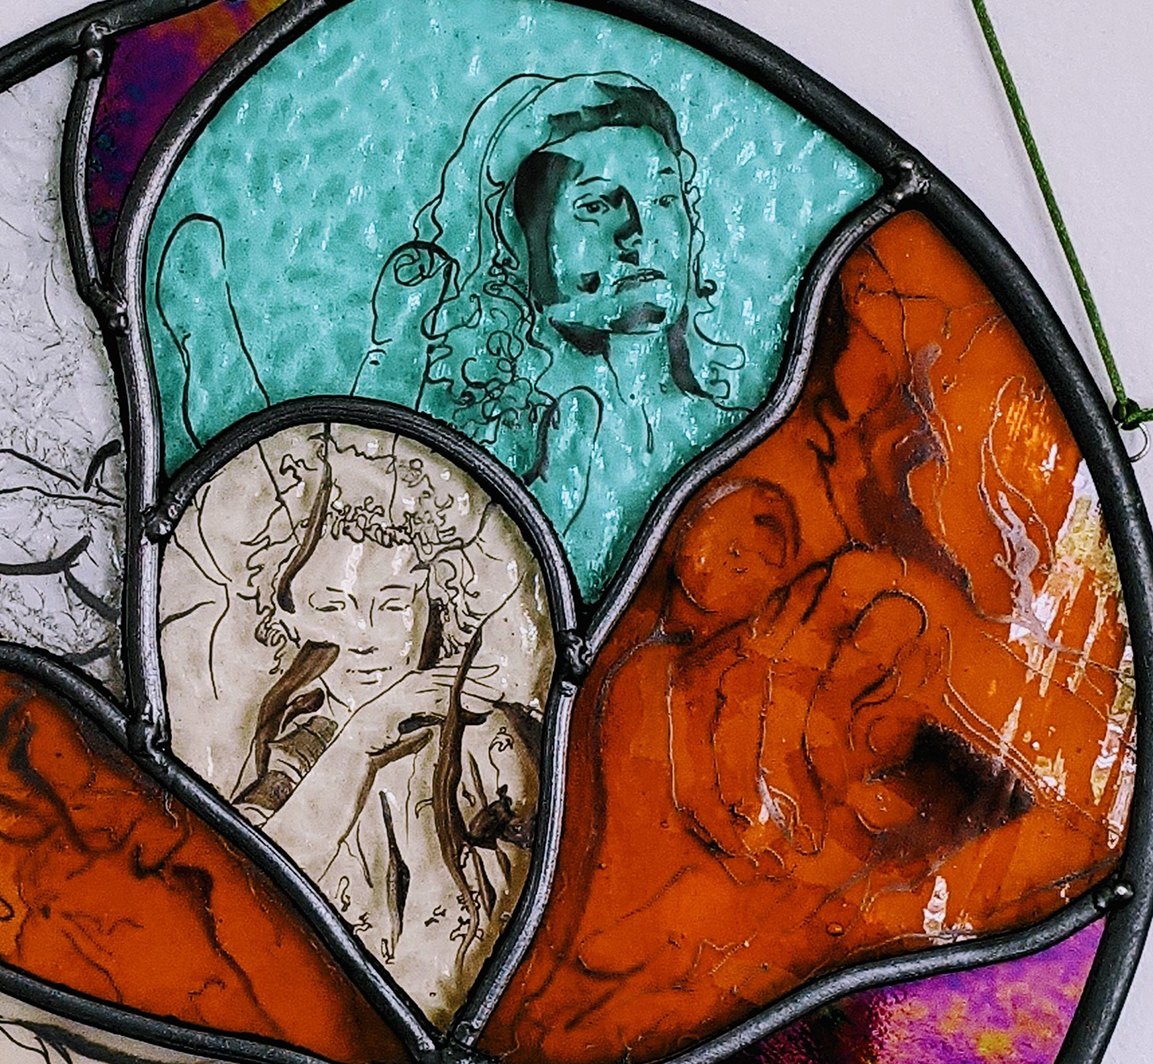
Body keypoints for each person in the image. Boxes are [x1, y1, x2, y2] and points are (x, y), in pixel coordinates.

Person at [159, 423, 554, 1023]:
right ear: (293, 615)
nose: (365, 636)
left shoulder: (482, 733)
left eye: (392, 605)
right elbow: (235, 888)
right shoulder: (299, 734)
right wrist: (362, 742)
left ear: (433, 606)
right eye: (333, 606)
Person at [355, 71, 754, 592]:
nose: (637, 236)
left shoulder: (733, 434)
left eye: (662, 200)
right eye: (594, 206)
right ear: (516, 238)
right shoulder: (480, 448)